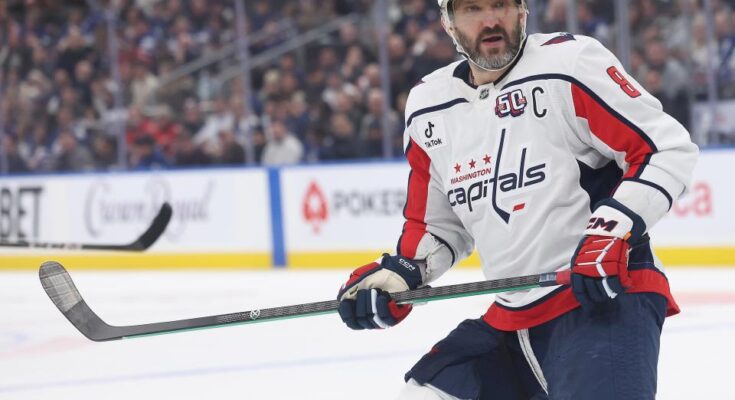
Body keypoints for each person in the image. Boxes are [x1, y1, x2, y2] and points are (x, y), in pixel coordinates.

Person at [336, 0, 699, 399]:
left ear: (523, 11)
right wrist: (400, 274)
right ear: (447, 22)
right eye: (473, 8)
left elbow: (663, 149)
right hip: (511, 321)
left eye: (502, 5)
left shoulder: (569, 64)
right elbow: (437, 226)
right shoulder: (428, 107)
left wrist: (610, 234)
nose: (491, 20)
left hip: (602, 298)